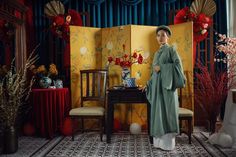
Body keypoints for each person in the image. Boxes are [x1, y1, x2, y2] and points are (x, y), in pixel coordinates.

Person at [143, 25, 186, 150]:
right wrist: (148, 84)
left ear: (168, 36)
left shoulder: (171, 50)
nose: (160, 37)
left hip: (167, 88)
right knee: (158, 113)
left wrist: (163, 68)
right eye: (158, 35)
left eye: (163, 35)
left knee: (167, 113)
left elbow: (178, 67)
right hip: (157, 89)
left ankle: (167, 144)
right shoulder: (157, 53)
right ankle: (158, 143)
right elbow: (153, 73)